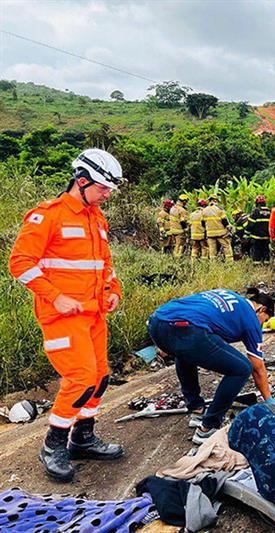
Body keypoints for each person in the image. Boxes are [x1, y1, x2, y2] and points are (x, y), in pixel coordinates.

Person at [8, 148, 125, 482]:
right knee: (81, 378)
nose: (107, 195)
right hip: (61, 316)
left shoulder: (96, 217)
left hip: (93, 314)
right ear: (82, 180)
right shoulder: (48, 215)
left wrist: (113, 290)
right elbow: (20, 263)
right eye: (103, 188)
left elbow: (104, 263)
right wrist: (56, 297)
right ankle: (53, 444)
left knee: (100, 376)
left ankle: (83, 438)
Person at [147, 288, 274, 444]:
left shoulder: (227, 294)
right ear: (262, 309)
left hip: (157, 321)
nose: (262, 324)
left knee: (186, 352)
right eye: (265, 320)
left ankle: (196, 409)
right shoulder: (251, 319)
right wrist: (269, 400)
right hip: (186, 329)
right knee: (242, 369)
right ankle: (208, 427)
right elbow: (257, 367)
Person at [203, 194, 233, 260]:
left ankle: (213, 264)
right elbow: (224, 221)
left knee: (212, 249)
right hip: (221, 233)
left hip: (210, 234)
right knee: (226, 247)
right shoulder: (219, 209)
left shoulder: (204, 210)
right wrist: (229, 229)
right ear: (215, 200)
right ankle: (230, 263)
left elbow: (202, 223)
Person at [244, 194, 271, 265]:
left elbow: (250, 224)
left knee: (257, 251)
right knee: (266, 250)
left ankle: (257, 266)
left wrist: (246, 234)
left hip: (256, 237)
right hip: (267, 236)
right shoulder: (269, 211)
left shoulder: (255, 211)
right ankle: (266, 264)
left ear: (256, 202)